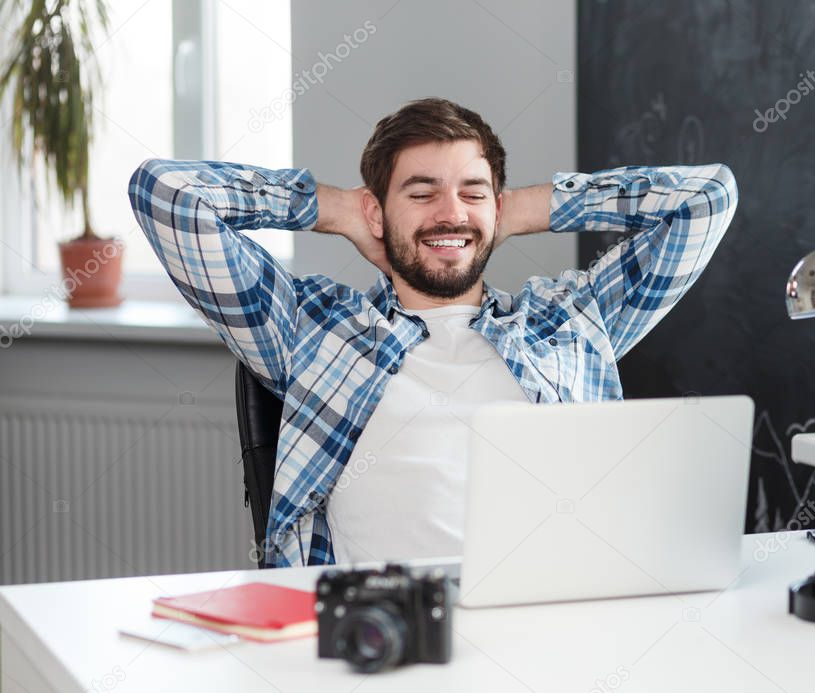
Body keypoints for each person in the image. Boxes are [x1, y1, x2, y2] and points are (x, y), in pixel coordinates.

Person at [128, 97, 738, 568]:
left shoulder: (571, 322)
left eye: (471, 193)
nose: (450, 213)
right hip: (386, 642)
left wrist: (521, 208)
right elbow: (166, 194)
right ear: (378, 211)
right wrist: (335, 208)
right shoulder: (309, 329)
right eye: (421, 194)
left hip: (558, 627)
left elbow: (707, 198)